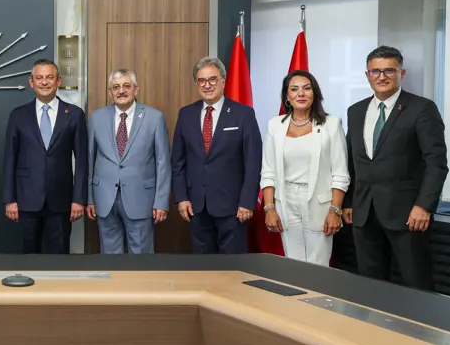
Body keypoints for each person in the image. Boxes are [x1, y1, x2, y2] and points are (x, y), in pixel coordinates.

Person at [344, 46, 448, 290]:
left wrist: (424, 206)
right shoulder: (356, 111)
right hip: (364, 213)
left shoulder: (422, 108)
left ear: (401, 73)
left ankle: (419, 319)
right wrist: (348, 201)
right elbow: (351, 160)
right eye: (375, 71)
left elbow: (436, 163)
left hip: (408, 215)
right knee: (371, 284)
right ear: (367, 75)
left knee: (416, 284)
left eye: (389, 70)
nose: (382, 76)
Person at [171, 57, 262, 254]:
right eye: (201, 80)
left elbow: (253, 162)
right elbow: (178, 161)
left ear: (223, 81)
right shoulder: (186, 114)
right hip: (196, 206)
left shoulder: (243, 114)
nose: (207, 85)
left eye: (212, 79)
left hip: (233, 207)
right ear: (196, 83)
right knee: (203, 265)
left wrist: (247, 201)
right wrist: (181, 197)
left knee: (233, 264)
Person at [260, 71, 349, 266]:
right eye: (294, 89)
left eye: (306, 88)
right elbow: (268, 172)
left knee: (318, 264)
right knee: (293, 263)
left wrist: (335, 210)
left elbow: (341, 174)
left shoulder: (331, 124)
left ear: (315, 94)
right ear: (287, 96)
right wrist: (269, 208)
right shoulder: (275, 125)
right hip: (285, 202)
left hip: (321, 204)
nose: (301, 93)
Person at [3, 59, 88, 253]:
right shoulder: (18, 115)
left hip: (61, 201)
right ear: (31, 82)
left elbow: (82, 161)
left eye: (49, 77)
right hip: (26, 201)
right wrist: (9, 199)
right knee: (28, 258)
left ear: (58, 81)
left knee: (59, 259)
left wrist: (79, 199)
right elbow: (9, 159)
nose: (44, 82)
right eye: (39, 78)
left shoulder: (74, 114)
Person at [86, 69, 171, 254]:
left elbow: (163, 162)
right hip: (104, 199)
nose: (121, 91)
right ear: (110, 92)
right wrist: (90, 198)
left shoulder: (154, 118)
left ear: (136, 89)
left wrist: (161, 201)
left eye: (126, 86)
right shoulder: (97, 118)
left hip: (141, 199)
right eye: (116, 87)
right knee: (109, 257)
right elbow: (89, 160)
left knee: (141, 257)